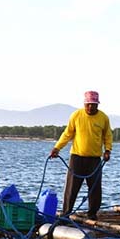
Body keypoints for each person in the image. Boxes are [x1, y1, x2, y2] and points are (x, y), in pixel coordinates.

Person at [49, 90, 113, 220]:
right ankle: (66, 213)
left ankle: (92, 213)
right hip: (77, 157)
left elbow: (107, 135)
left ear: (97, 105)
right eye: (88, 104)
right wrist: (57, 148)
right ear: (84, 104)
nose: (90, 107)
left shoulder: (103, 118)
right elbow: (67, 134)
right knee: (72, 187)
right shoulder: (76, 115)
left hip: (95, 158)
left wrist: (107, 150)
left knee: (95, 188)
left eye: (93, 104)